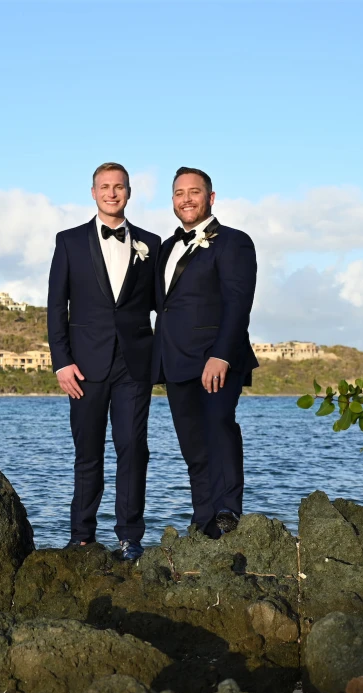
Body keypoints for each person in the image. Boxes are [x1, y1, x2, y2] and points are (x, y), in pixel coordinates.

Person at [47, 162, 161, 561]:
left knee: (133, 449)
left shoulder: (152, 242)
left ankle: (130, 537)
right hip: (83, 367)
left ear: (129, 192)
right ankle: (82, 536)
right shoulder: (68, 241)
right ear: (93, 192)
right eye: (104, 187)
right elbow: (55, 306)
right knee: (88, 452)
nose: (112, 193)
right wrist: (61, 362)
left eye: (119, 187)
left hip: (134, 365)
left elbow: (163, 307)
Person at [152, 167, 259, 539]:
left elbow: (237, 303)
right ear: (173, 200)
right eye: (179, 193)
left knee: (219, 426)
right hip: (175, 361)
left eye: (194, 192)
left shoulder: (234, 242)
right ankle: (203, 520)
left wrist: (222, 355)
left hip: (217, 359)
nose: (186, 199)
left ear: (210, 198)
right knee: (192, 444)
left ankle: (228, 511)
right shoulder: (165, 247)